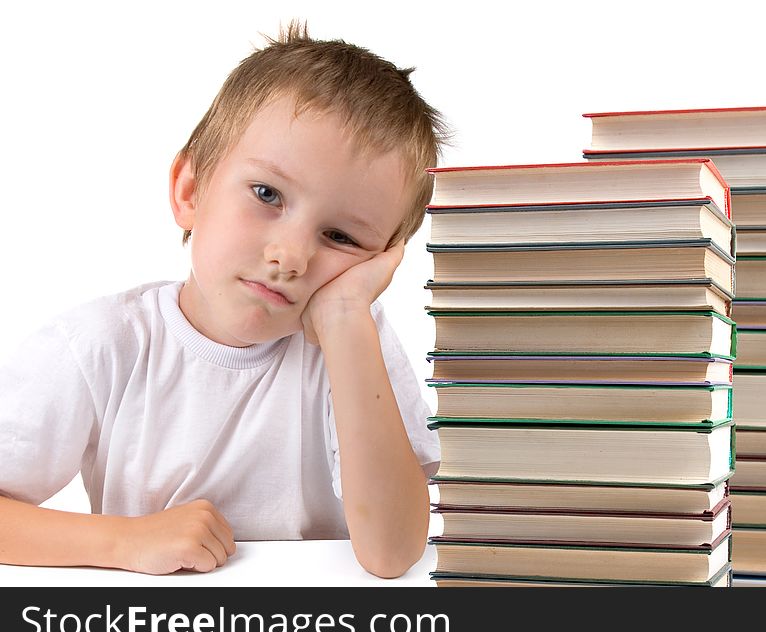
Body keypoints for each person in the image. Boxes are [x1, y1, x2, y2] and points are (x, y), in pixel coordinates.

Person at [0, 21, 448, 578]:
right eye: (267, 194)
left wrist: (345, 319)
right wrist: (124, 541)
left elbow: (392, 552)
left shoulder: (354, 339)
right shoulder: (102, 344)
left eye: (341, 237)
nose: (291, 256)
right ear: (191, 191)